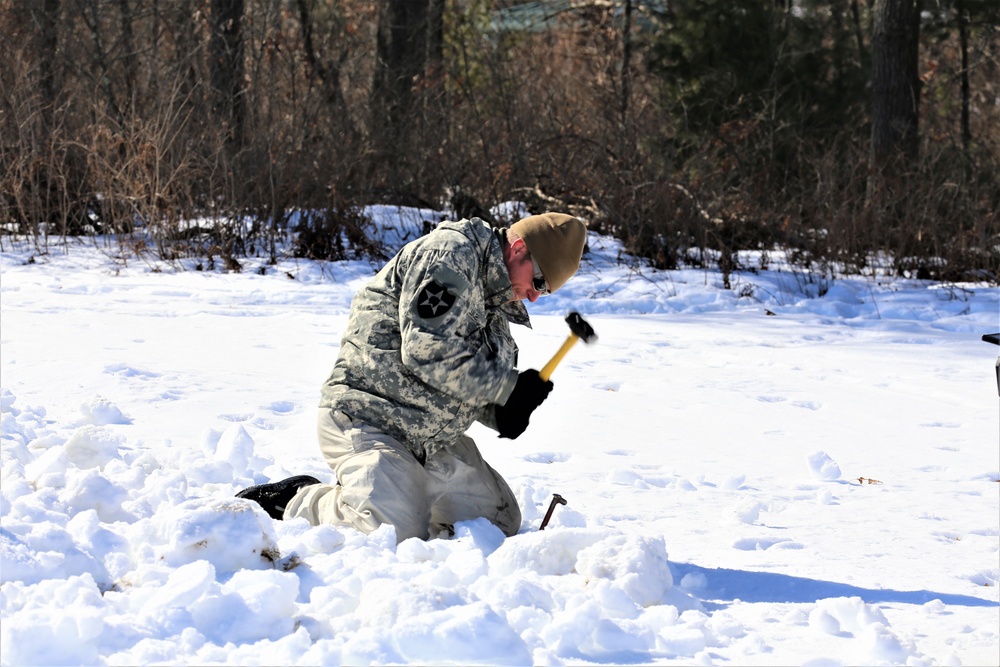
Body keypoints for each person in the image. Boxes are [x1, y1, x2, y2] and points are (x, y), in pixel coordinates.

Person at [237, 212, 587, 542]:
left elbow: (461, 376)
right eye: (539, 281)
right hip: (370, 418)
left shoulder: (495, 302)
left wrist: (502, 410)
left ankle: (397, 492)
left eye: (547, 291)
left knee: (497, 523)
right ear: (519, 248)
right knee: (390, 530)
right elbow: (427, 351)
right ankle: (299, 499)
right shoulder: (448, 258)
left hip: (429, 440)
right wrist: (507, 386)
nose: (535, 296)